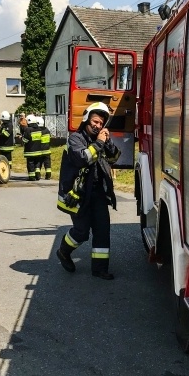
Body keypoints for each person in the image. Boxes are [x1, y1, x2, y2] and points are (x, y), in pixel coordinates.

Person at [56, 102, 121, 280]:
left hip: (98, 193)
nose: (97, 125)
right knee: (82, 232)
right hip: (78, 195)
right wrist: (100, 142)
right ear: (86, 119)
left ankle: (99, 269)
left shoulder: (100, 140)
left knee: (102, 230)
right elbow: (82, 158)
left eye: (101, 123)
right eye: (95, 121)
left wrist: (107, 143)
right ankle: (63, 251)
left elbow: (115, 157)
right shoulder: (75, 139)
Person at [23, 115, 43, 181]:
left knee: (30, 163)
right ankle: (37, 174)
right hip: (38, 151)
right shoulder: (39, 129)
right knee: (37, 163)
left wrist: (21, 138)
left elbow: (25, 140)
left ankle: (32, 177)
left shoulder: (28, 130)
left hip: (30, 151)